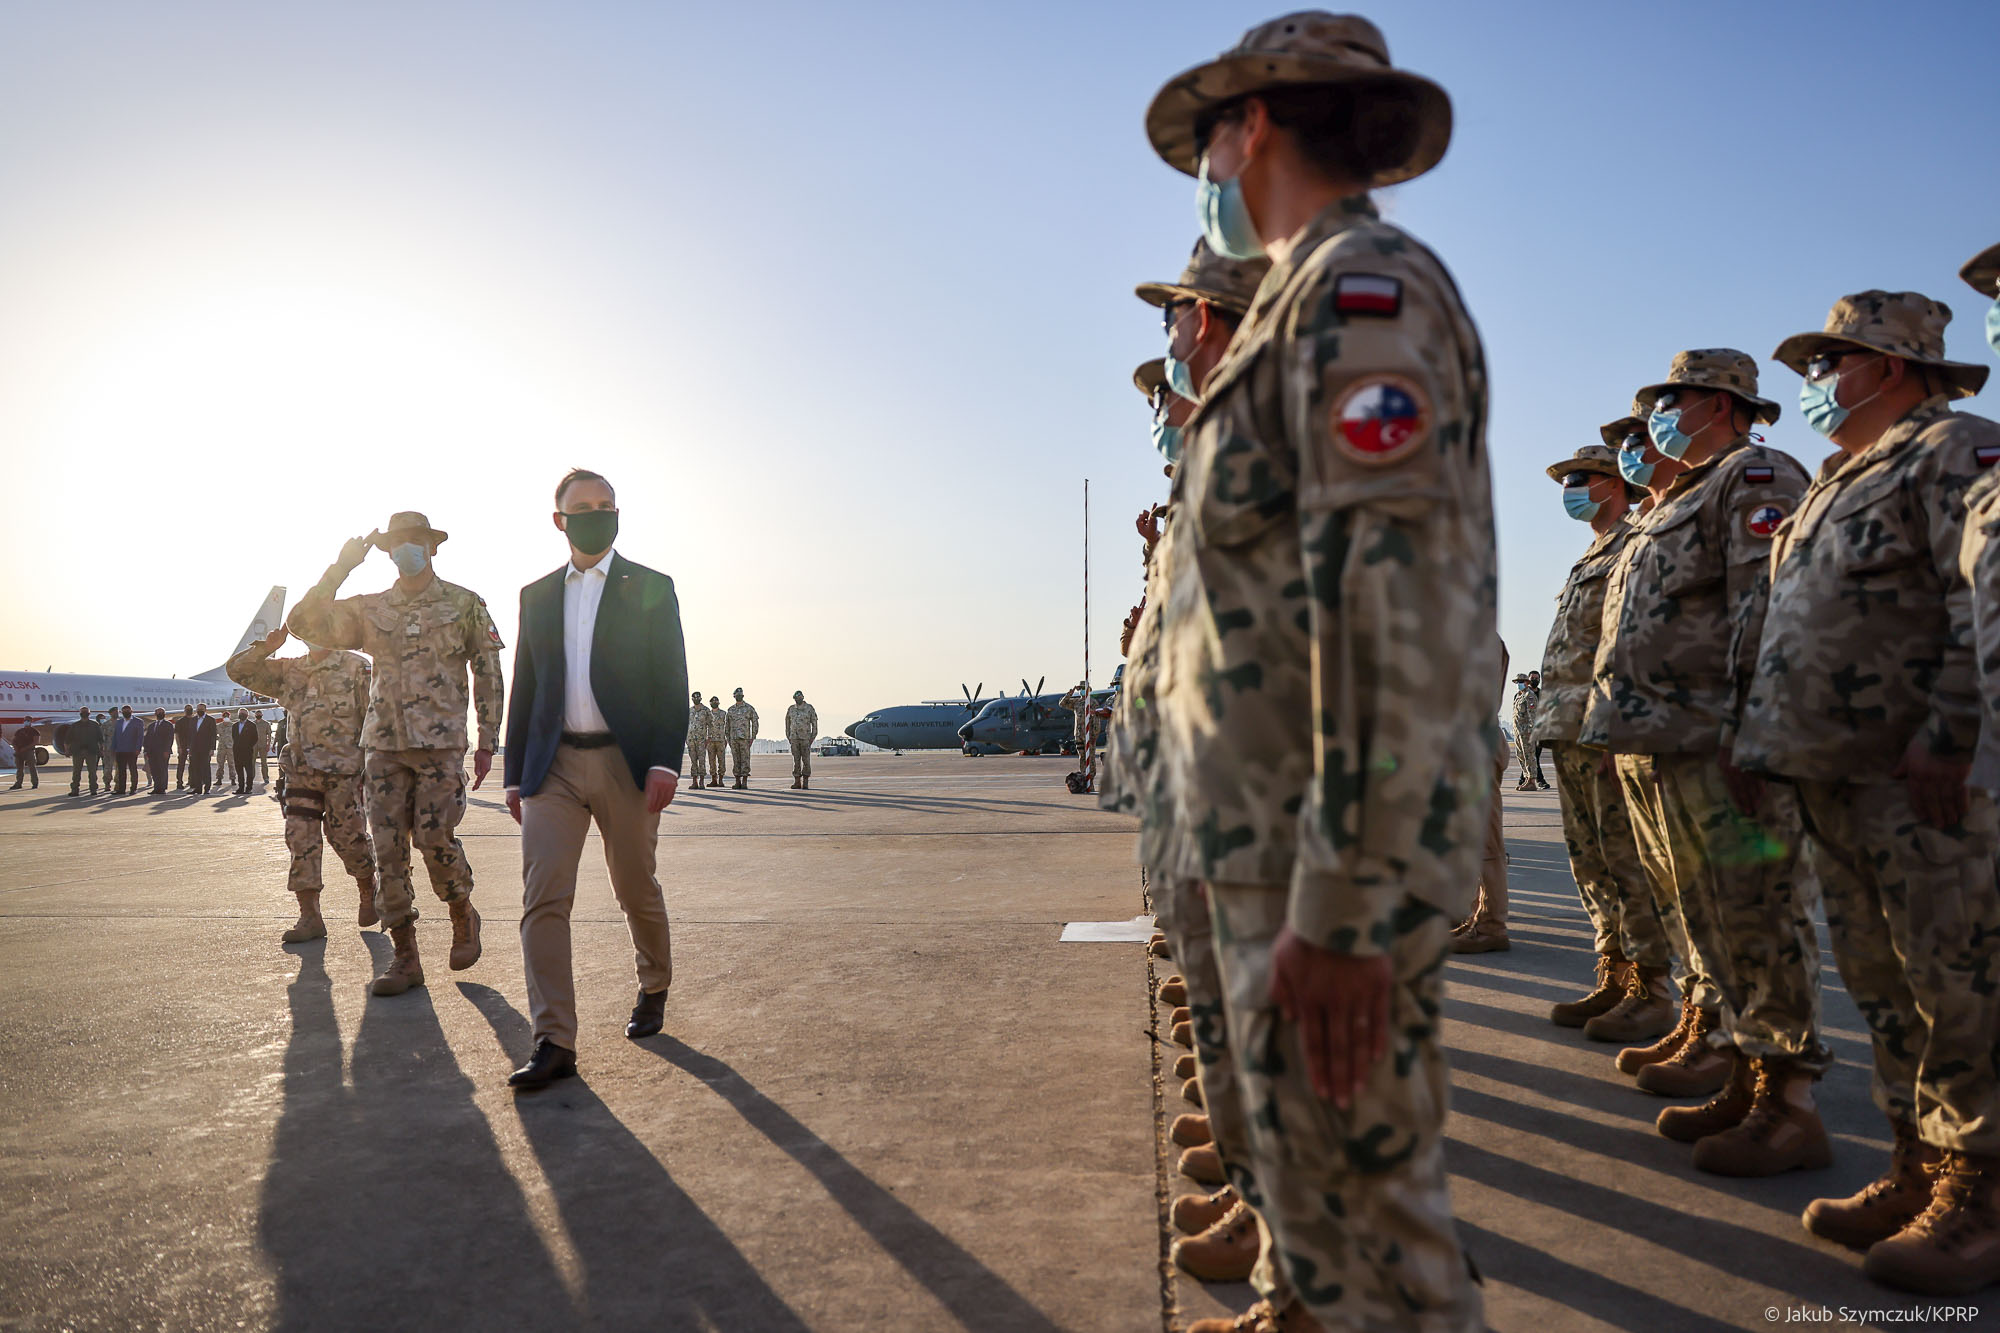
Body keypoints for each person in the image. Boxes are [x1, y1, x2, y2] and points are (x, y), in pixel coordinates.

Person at [1144, 15, 1495, 1330]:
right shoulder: (1303, 304)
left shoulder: (1366, 296)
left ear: (1259, 126)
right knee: (1325, 1217)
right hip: (1274, 848)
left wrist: (1345, 902)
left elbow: (1392, 603)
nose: (1207, 167)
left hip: (1319, 866)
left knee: (1380, 1247)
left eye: (1211, 137)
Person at [1740, 291, 2000, 1291]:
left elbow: (1970, 584)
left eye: (1825, 363)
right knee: (1886, 987)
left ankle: (1978, 1194)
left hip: (1915, 780)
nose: (1812, 384)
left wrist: (1952, 728)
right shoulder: (1833, 483)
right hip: (1828, 775)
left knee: (1959, 988)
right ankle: (1914, 1166)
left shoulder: (1949, 449)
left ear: (1885, 365)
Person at [1580, 348, 1827, 1176]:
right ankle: (1741, 1064)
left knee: (1758, 914)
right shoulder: (1671, 502)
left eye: (1672, 399)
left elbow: (1768, 603)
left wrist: (1751, 728)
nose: (1659, 415)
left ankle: (1790, 1103)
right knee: (1702, 912)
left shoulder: (1754, 477)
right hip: (1661, 740)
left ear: (1720, 403)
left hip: (1718, 740)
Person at [503, 469, 688, 1090]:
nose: (597, 514)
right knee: (543, 898)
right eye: (583, 507)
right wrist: (512, 773)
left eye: (606, 505)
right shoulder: (537, 595)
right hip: (551, 764)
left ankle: (653, 984)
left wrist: (665, 759)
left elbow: (672, 683)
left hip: (626, 763)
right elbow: (524, 687)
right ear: (560, 520)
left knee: (634, 884)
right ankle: (554, 1039)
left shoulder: (652, 587)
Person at [290, 510, 504, 997]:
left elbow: (488, 668)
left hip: (440, 743)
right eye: (398, 542)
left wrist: (489, 735)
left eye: (415, 540)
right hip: (383, 743)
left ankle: (461, 913)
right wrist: (342, 566)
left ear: (432, 547)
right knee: (387, 848)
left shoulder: (464, 603)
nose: (407, 548)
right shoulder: (372, 608)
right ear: (387, 551)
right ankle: (406, 957)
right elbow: (304, 622)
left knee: (434, 837)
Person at [1535, 438, 1676, 1041]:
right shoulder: (1590, 553)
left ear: (1612, 483)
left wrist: (1618, 728)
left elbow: (1628, 643)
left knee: (1627, 864)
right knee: (1590, 863)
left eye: (1580, 479)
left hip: (1604, 733)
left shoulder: (1634, 543)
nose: (1570, 491)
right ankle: (1614, 972)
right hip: (1568, 730)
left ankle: (1652, 988)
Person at [229, 623, 379, 944]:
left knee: (345, 836)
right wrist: (266, 647)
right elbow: (237, 671)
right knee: (300, 839)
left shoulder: (357, 667)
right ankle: (309, 916)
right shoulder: (291, 669)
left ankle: (368, 886)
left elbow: (378, 719)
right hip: (300, 770)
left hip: (345, 771)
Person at [1508, 674, 1545, 790]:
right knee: (1521, 756)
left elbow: (1532, 716)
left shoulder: (1530, 696)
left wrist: (1532, 732)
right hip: (1518, 732)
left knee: (1529, 757)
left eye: (1521, 681)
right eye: (1517, 682)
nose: (1519, 684)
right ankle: (1527, 778)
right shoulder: (1519, 696)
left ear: (1527, 683)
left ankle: (1532, 781)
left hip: (1526, 733)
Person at [725, 688, 758, 789]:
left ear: (743, 696)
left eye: (740, 695)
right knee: (736, 760)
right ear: (734, 696)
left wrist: (753, 736)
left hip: (745, 739)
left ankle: (744, 781)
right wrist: (728, 738)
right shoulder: (730, 710)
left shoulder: (749, 708)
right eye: (737, 695)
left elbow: (755, 722)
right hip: (733, 739)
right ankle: (737, 781)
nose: (738, 696)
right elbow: (727, 725)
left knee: (745, 759)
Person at [785, 691, 818, 789]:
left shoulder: (809, 708)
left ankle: (806, 781)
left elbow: (814, 724)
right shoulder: (791, 709)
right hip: (794, 738)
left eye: (799, 697)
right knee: (796, 761)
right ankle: (797, 781)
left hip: (805, 739)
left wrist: (812, 737)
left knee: (806, 760)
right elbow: (787, 723)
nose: (798, 699)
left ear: (803, 697)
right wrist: (789, 736)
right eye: (796, 697)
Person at [67, 707, 100, 797]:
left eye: (86, 712)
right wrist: (67, 750)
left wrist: (102, 750)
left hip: (91, 752)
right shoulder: (75, 725)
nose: (84, 713)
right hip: (78, 752)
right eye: (83, 712)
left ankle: (93, 789)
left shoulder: (95, 725)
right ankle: (75, 790)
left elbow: (100, 739)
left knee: (92, 772)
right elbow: (68, 739)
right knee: (76, 772)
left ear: (89, 714)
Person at [111, 706, 143, 794]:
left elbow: (140, 737)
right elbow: (115, 736)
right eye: (124, 711)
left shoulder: (138, 722)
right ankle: (121, 789)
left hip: (132, 750)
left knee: (133, 769)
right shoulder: (119, 722)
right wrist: (113, 748)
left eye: (128, 711)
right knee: (121, 770)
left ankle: (133, 788)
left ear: (132, 711)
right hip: (120, 750)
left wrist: (138, 748)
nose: (126, 712)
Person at [144, 708, 174, 793]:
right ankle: (156, 787)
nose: (160, 714)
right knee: (154, 770)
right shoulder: (151, 725)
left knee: (162, 770)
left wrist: (167, 750)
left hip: (163, 751)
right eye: (158, 712)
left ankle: (162, 788)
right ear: (155, 714)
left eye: (161, 712)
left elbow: (170, 739)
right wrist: (146, 750)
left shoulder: (168, 725)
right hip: (152, 752)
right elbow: (147, 739)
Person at [189, 703, 217, 795]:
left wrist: (212, 748)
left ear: (205, 710)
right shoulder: (193, 720)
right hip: (195, 749)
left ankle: (207, 788)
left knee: (205, 769)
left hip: (206, 749)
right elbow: (191, 735)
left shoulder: (210, 720)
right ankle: (198, 788)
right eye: (198, 709)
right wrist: (189, 748)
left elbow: (213, 735)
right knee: (196, 769)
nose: (199, 711)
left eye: (201, 709)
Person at [687, 691, 711, 791]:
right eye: (694, 698)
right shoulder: (689, 710)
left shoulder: (706, 710)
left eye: (697, 698)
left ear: (700, 698)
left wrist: (709, 737)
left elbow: (711, 724)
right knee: (693, 761)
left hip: (702, 740)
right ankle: (694, 782)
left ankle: (701, 781)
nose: (696, 699)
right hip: (691, 739)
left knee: (701, 760)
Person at [230, 709, 258, 794]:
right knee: (239, 771)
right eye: (240, 714)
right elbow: (234, 737)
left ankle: (249, 788)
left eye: (243, 714)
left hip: (247, 751)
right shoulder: (235, 725)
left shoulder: (252, 725)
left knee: (249, 771)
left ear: (247, 715)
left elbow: (255, 738)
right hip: (237, 752)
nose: (241, 715)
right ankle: (240, 788)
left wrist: (248, 746)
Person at [9, 721, 39, 790]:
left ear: (31, 722)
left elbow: (35, 742)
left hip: (29, 752)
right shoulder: (19, 731)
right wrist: (16, 749)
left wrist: (25, 748)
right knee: (19, 769)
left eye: (28, 721)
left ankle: (35, 783)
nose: (26, 722)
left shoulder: (34, 731)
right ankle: (18, 783)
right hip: (19, 752)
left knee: (32, 768)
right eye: (25, 721)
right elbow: (13, 740)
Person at [173, 704, 197, 790]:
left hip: (193, 746)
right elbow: (177, 735)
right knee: (181, 765)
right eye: (187, 709)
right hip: (183, 746)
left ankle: (191, 781)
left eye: (190, 709)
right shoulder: (180, 722)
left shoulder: (196, 721)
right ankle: (179, 782)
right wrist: (179, 747)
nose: (189, 710)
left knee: (193, 765)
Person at [706, 696, 727, 789]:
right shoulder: (707, 714)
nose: (714, 703)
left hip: (720, 740)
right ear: (710, 703)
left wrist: (726, 738)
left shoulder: (723, 714)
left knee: (721, 760)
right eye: (713, 702)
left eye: (716, 701)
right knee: (711, 761)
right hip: (710, 741)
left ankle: (721, 780)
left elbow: (727, 727)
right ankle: (714, 779)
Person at [92, 712, 113, 791]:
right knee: (94, 768)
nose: (103, 720)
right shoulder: (95, 728)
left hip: (105, 750)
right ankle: (93, 783)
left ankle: (107, 784)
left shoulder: (107, 727)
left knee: (106, 768)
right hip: (96, 750)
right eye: (102, 719)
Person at [254, 709, 272, 785]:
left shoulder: (266, 724)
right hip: (254, 746)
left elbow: (269, 735)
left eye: (259, 714)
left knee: (264, 763)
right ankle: (251, 777)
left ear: (262, 715)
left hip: (263, 746)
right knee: (252, 763)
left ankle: (266, 777)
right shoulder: (252, 724)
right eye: (257, 714)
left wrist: (268, 745)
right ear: (255, 715)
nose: (258, 716)